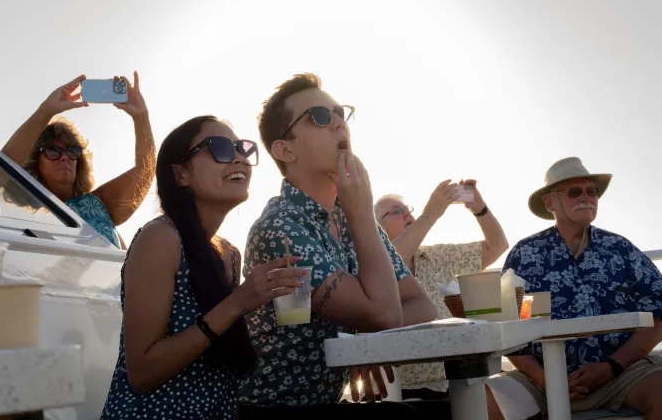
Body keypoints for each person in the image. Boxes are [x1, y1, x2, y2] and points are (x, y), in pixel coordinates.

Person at [239, 73, 444, 419]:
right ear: (285, 149)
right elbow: (386, 314)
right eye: (319, 117)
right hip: (272, 410)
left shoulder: (350, 215)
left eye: (339, 113)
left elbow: (421, 305)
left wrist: (365, 342)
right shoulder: (279, 228)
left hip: (325, 404)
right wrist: (364, 215)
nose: (337, 123)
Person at [101, 116, 307, 419]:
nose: (239, 157)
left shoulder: (230, 254)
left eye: (242, 148)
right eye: (220, 147)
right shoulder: (160, 238)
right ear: (181, 173)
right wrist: (238, 303)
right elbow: (142, 373)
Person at [485, 157, 662, 420]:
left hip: (620, 375)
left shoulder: (621, 249)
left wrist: (611, 366)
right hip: (538, 381)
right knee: (485, 400)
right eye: (574, 192)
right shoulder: (524, 254)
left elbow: (659, 314)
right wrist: (547, 380)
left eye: (592, 191)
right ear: (550, 202)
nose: (587, 198)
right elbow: (507, 325)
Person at [375, 180, 509, 399]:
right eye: (396, 211)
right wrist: (430, 214)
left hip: (460, 378)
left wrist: (479, 207)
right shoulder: (371, 265)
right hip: (407, 391)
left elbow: (497, 246)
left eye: (408, 210)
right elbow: (391, 260)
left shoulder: (436, 256)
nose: (408, 215)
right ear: (376, 228)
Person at [0, 73, 155, 248]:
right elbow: (0, 170)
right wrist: (46, 111)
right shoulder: (23, 207)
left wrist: (141, 117)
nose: (65, 157)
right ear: (36, 162)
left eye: (71, 151)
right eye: (53, 150)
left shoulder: (97, 203)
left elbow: (145, 170)